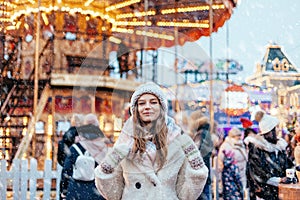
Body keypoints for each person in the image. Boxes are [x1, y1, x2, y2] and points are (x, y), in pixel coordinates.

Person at [95, 82, 208, 200]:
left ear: (162, 107)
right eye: (141, 103)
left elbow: (186, 195)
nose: (147, 107)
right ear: (136, 109)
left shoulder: (177, 141)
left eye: (153, 102)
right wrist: (106, 169)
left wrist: (196, 168)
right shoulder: (125, 141)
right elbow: (113, 195)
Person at [244, 111, 293, 200]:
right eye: (275, 128)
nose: (278, 131)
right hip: (263, 194)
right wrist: (279, 180)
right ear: (268, 131)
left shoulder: (279, 147)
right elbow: (257, 173)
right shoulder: (257, 149)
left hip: (280, 193)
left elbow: (287, 165)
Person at [60, 113, 108, 200]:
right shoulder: (103, 148)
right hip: (96, 192)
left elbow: (67, 170)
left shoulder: (75, 148)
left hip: (75, 191)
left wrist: (64, 191)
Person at [188, 110, 214, 200]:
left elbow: (198, 156)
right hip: (202, 176)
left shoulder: (201, 134)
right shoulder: (204, 133)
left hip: (200, 177)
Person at [218, 127, 247, 198]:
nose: (240, 137)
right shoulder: (226, 145)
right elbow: (220, 160)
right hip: (231, 175)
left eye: (240, 135)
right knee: (233, 195)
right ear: (233, 136)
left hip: (242, 173)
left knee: (241, 194)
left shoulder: (241, 144)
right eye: (238, 136)